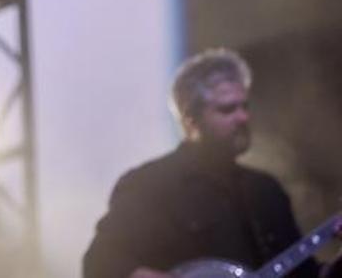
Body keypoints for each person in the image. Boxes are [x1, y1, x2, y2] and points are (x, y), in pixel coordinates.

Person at [83, 48, 342, 278]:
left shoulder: (267, 190)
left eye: (245, 106)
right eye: (227, 109)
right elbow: (102, 263)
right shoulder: (150, 185)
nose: (242, 117)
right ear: (190, 121)